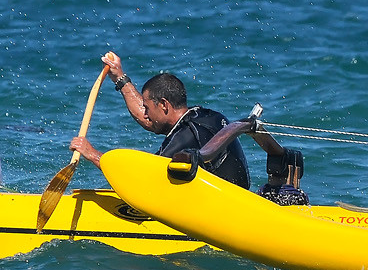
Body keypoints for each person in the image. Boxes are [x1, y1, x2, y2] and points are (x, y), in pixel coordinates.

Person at [68, 52, 250, 188]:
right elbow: (148, 118)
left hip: (224, 213)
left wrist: (92, 154)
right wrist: (120, 78)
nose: (145, 114)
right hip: (240, 197)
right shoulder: (204, 116)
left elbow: (142, 179)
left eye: (147, 107)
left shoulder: (184, 138)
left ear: (164, 105)